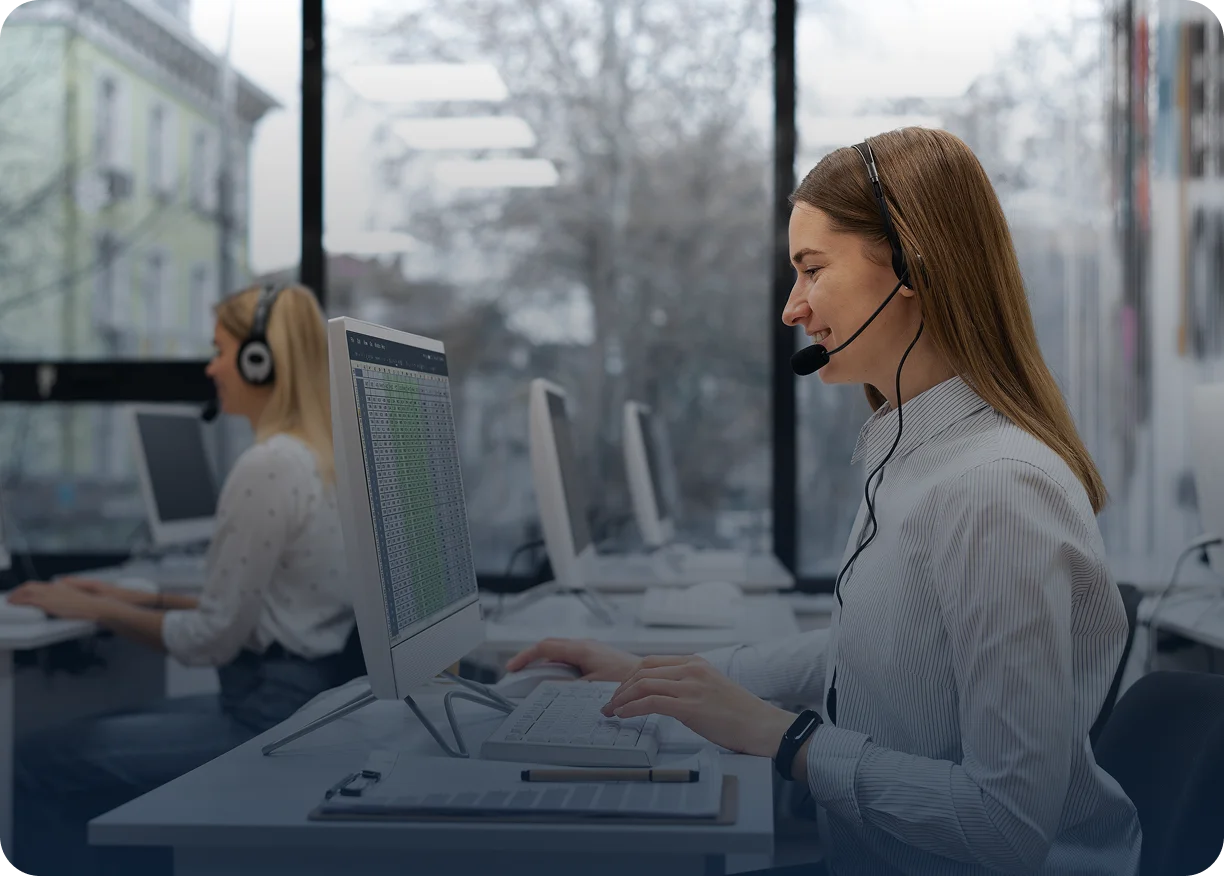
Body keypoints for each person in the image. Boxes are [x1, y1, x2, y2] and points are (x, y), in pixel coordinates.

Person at [507, 128, 1142, 875]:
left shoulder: (994, 490)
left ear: (910, 260)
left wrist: (784, 737)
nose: (792, 309)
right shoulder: (911, 457)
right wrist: (659, 674)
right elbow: (870, 654)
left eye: (811, 270)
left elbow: (1005, 826)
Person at [11, 284, 356, 876]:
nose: (210, 366)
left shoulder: (268, 465)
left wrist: (95, 610)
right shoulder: (319, 458)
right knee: (100, 729)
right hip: (304, 700)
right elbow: (269, 602)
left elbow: (211, 639)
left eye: (220, 350)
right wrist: (131, 596)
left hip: (264, 716)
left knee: (29, 761)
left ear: (260, 360)